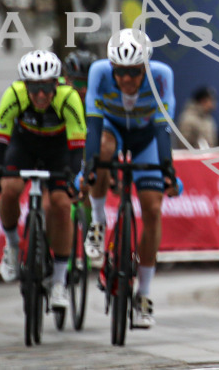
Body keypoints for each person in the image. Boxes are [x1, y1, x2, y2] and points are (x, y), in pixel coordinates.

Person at [82, 29, 179, 330]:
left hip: (146, 137)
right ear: (112, 67)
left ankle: (144, 294)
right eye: (120, 73)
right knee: (104, 150)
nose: (126, 80)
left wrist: (167, 170)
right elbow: (94, 124)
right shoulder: (98, 71)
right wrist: (90, 166)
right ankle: (98, 222)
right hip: (110, 128)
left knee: (152, 210)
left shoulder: (161, 75)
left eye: (134, 73)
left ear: (145, 68)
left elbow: (164, 128)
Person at [0, 50, 85, 313]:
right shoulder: (13, 94)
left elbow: (77, 149)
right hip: (24, 145)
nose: (41, 95)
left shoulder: (69, 97)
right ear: (25, 85)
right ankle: (14, 246)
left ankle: (60, 282)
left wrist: (75, 179)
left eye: (46, 87)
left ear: (56, 84)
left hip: (58, 149)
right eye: (34, 88)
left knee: (62, 205)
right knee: (9, 189)